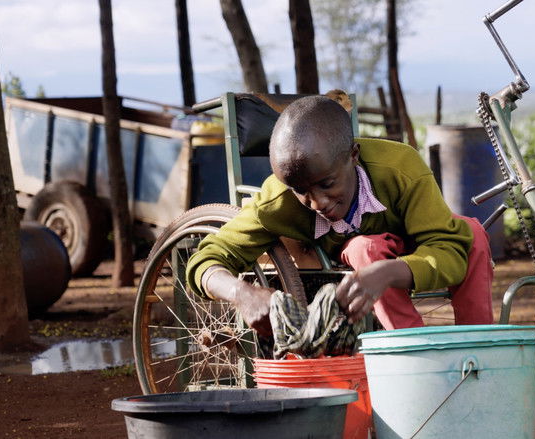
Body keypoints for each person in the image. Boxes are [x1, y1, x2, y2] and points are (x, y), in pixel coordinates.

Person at [186, 95, 494, 335]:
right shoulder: (277, 202)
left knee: (472, 232)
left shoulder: (401, 167)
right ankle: (413, 350)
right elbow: (206, 259)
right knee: (366, 249)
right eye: (301, 190)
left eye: (327, 184)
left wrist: (388, 272)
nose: (317, 202)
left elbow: (448, 249)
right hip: (360, 252)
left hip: (409, 244)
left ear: (353, 155)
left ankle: (482, 347)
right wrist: (240, 293)